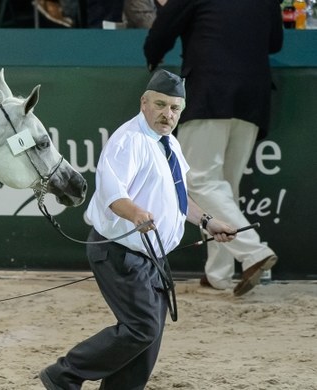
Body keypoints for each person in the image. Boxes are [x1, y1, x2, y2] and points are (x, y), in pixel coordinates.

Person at [39, 70, 238, 390]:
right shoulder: (128, 140)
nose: (167, 114)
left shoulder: (169, 142)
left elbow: (179, 198)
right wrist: (136, 214)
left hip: (151, 256)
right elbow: (111, 194)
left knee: (149, 336)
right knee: (142, 327)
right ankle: (64, 374)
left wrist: (208, 222)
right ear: (144, 103)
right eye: (160, 105)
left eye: (175, 108)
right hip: (118, 251)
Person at [144, 0, 283, 296]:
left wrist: (152, 58)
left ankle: (254, 253)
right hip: (253, 95)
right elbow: (276, 42)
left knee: (196, 180)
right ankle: (218, 274)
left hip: (210, 91)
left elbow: (162, 30)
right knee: (224, 189)